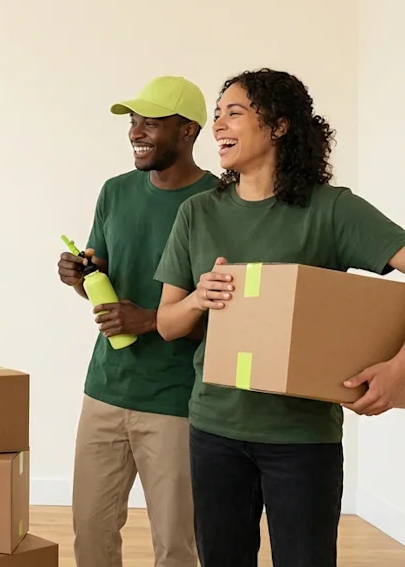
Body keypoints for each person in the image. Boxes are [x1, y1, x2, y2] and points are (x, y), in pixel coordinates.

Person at [154, 68, 405, 567]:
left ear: (280, 126)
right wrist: (198, 299)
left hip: (300, 439)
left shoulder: (332, 210)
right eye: (217, 114)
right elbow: (167, 323)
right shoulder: (198, 213)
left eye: (235, 112)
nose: (219, 125)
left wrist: (400, 368)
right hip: (214, 429)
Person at [57, 76, 214, 567]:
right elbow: (101, 277)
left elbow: (231, 306)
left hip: (175, 398)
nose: (135, 132)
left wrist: (150, 319)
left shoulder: (218, 202)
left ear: (188, 131)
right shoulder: (116, 191)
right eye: (132, 121)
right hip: (105, 388)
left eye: (151, 122)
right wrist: (80, 276)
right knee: (91, 531)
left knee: (175, 543)